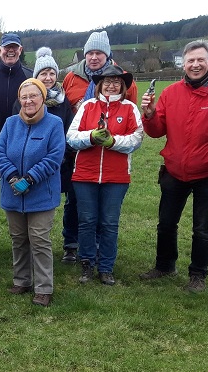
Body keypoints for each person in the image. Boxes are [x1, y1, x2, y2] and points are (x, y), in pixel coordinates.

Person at [139, 40, 208, 292]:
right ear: (183, 64)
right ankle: (164, 266)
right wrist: (150, 114)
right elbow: (156, 132)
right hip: (174, 171)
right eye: (190, 61)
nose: (195, 65)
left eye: (200, 60)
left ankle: (198, 275)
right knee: (165, 223)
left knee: (202, 228)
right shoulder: (171, 93)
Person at [67, 65, 143, 286]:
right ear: (100, 84)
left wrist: (113, 142)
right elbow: (71, 137)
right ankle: (87, 264)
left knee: (109, 223)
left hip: (116, 177)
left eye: (116, 82)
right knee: (87, 221)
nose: (111, 85)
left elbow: (136, 139)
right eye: (107, 81)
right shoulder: (88, 106)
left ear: (123, 85)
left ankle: (106, 267)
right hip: (85, 175)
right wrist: (91, 137)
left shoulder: (130, 108)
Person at [0, 78, 65, 307]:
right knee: (18, 239)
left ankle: (44, 288)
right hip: (13, 193)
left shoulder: (54, 124)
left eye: (33, 95)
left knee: (39, 239)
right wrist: (13, 176)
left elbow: (54, 157)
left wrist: (30, 178)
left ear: (43, 97)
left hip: (42, 194)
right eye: (24, 97)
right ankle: (22, 280)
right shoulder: (10, 123)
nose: (28, 100)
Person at [0, 33, 33, 255]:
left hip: (23, 150)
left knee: (25, 195)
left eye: (15, 48)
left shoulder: (31, 77)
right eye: (6, 48)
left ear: (20, 50)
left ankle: (27, 242)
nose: (10, 51)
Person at [32, 48, 77, 264]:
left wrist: (62, 154)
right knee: (37, 204)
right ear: (36, 76)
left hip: (62, 162)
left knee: (70, 203)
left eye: (51, 73)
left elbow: (69, 130)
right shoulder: (27, 97)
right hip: (34, 164)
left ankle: (70, 245)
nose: (48, 78)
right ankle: (35, 244)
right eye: (43, 74)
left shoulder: (62, 100)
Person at [63, 30, 139, 112]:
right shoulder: (71, 78)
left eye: (98, 53)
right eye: (90, 53)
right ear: (85, 55)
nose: (94, 57)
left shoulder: (124, 80)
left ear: (107, 55)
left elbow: (131, 114)